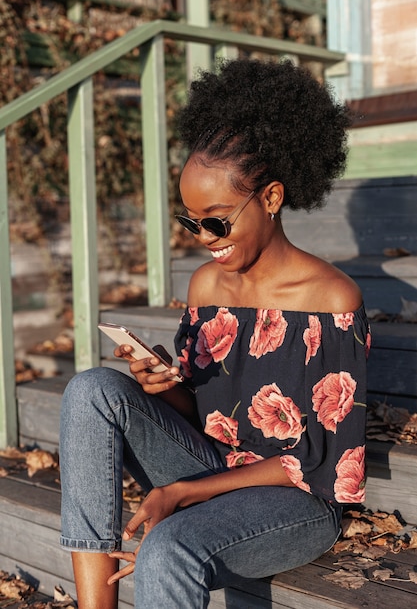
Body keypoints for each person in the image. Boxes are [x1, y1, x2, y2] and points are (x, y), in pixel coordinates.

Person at [59, 58, 370, 609]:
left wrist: (182, 493)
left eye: (217, 220)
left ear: (271, 199)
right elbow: (201, 413)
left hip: (295, 500)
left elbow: (320, 464)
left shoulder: (332, 302)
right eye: (191, 221)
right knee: (90, 391)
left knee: (169, 548)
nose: (204, 237)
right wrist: (163, 386)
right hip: (214, 465)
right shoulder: (207, 286)